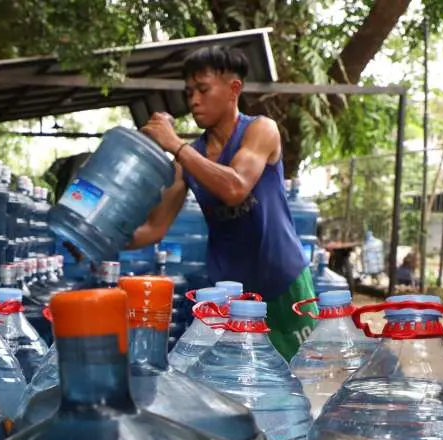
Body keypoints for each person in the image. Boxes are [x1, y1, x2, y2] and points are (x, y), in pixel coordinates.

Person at [131, 45, 317, 360]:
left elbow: (236, 187)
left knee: (301, 379)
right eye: (189, 92)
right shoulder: (188, 159)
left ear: (234, 89)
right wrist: (94, 241)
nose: (193, 100)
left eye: (202, 90)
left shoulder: (261, 130)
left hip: (284, 285)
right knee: (233, 386)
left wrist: (175, 144)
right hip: (228, 297)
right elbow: (153, 228)